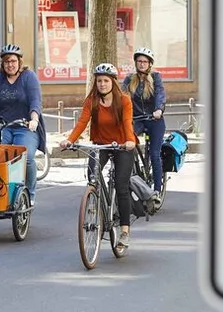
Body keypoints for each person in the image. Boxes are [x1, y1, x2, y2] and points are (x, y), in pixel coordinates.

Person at [60, 63, 137, 249]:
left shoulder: (124, 100)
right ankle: (95, 205)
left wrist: (129, 140)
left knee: (121, 185)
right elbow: (82, 123)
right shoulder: (92, 101)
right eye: (99, 81)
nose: (102, 84)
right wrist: (69, 140)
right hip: (101, 144)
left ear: (113, 82)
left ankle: (125, 232)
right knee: (92, 176)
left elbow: (127, 123)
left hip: (122, 146)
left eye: (105, 81)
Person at [0, 44, 47, 198]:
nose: (10, 65)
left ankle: (30, 194)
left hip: (25, 127)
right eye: (7, 62)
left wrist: (34, 118)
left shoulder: (29, 76)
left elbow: (36, 100)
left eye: (13, 61)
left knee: (26, 157)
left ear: (19, 62)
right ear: (3, 64)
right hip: (2, 126)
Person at [121, 47, 167, 197]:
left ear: (149, 64)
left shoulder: (156, 77)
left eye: (144, 61)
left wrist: (159, 109)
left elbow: (160, 94)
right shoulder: (129, 78)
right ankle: (130, 176)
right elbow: (122, 96)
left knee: (154, 154)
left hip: (155, 120)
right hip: (137, 120)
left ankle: (157, 191)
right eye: (139, 61)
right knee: (127, 143)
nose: (141, 64)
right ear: (135, 63)